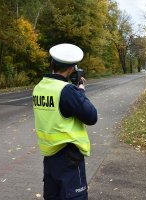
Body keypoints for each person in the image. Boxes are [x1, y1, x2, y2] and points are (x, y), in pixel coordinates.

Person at [32, 43, 98, 200]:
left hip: (49, 158)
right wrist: (80, 90)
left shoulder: (39, 87)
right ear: (71, 69)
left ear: (52, 64)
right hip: (69, 158)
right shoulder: (67, 90)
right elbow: (91, 116)